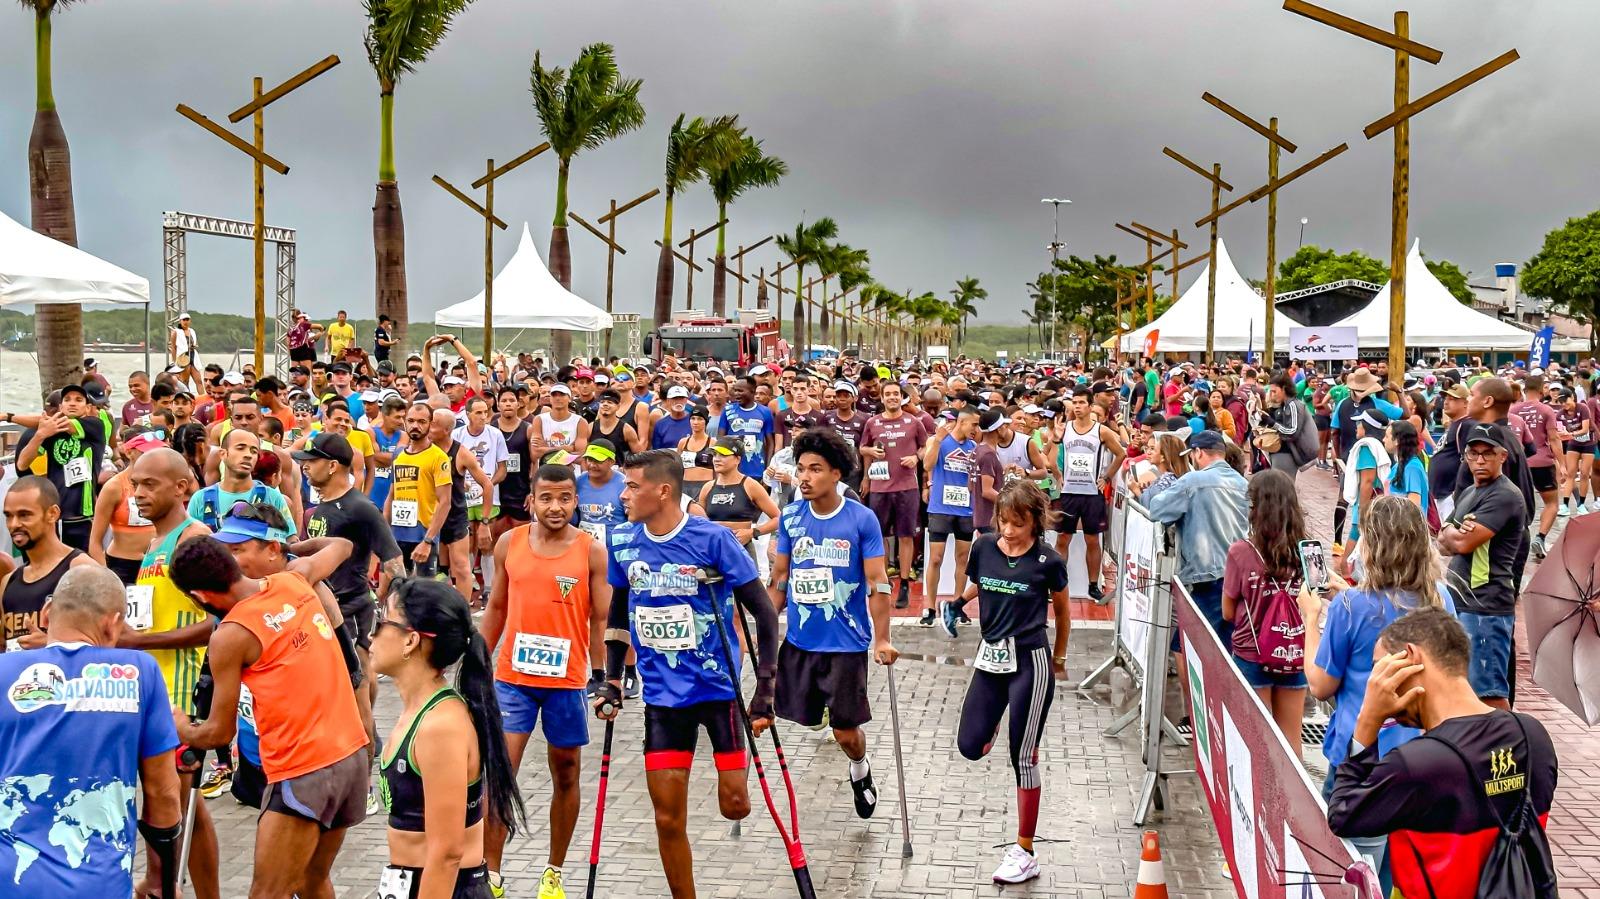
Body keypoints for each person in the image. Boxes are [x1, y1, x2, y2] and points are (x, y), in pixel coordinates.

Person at [592, 449, 781, 899]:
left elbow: (765, 615)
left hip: (718, 691)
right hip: (663, 697)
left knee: (734, 806)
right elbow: (618, 611)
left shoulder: (713, 539)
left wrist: (765, 689)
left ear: (664, 490)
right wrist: (613, 679)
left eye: (633, 486)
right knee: (666, 817)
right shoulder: (622, 540)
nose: (624, 495)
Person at [169, 534, 371, 899]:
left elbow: (217, 733)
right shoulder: (293, 579)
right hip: (352, 758)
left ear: (200, 597)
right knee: (313, 880)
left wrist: (181, 725)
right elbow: (343, 545)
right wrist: (295, 549)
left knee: (268, 893)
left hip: (304, 770)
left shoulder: (230, 635)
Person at [1326, 609, 1557, 899]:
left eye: (1379, 669)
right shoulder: (1534, 736)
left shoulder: (1417, 764)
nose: (1375, 683)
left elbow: (1343, 814)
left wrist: (1367, 720)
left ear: (1411, 658)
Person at [1300, 495, 1457, 895]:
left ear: (1373, 544)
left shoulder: (1351, 607)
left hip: (1362, 755)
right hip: (1424, 754)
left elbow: (1321, 684)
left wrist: (1311, 620)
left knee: (1347, 868)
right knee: (1401, 870)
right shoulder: (1441, 600)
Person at [0, 565, 183, 899]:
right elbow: (164, 793)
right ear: (112, 624)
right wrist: (160, 879)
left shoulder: (3, 672)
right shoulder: (139, 673)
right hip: (98, 884)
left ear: (46, 612)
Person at [480, 463, 610, 899]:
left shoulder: (591, 551)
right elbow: (496, 607)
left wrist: (602, 678)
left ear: (577, 501)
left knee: (567, 773)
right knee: (500, 772)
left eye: (565, 498)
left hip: (566, 682)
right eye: (547, 498)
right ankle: (491, 873)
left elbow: (601, 619)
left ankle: (553, 870)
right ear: (530, 501)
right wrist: (477, 660)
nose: (556, 507)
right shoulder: (509, 543)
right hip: (513, 679)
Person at [767, 426, 893, 818]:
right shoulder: (790, 517)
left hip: (847, 644)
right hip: (802, 642)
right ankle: (820, 707)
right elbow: (780, 580)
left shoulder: (861, 519)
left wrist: (883, 640)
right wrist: (764, 627)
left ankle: (860, 769)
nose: (804, 477)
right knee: (803, 721)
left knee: (845, 733)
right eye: (801, 469)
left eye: (815, 469)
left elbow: (878, 582)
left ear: (836, 474)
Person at [374, 577, 525, 899]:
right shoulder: (420, 711)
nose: (371, 635)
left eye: (381, 621)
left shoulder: (440, 726)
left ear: (410, 640)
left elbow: (447, 854)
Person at [954, 481, 1070, 885]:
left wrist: (1059, 659)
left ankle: (1024, 851)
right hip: (990, 658)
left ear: (1034, 522)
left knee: (1022, 757)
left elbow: (1065, 614)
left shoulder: (1048, 561)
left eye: (1016, 524)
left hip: (1030, 662)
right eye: (1002, 521)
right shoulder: (984, 547)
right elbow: (981, 581)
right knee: (969, 746)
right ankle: (999, 719)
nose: (1007, 530)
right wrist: (958, 602)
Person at [1438, 424, 1527, 710]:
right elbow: (1442, 538)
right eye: (1473, 454)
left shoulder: (1504, 495)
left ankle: (1506, 752)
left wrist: (1456, 536)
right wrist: (1456, 535)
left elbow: (1462, 544)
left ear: (1502, 456)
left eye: (1487, 454)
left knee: (1488, 694)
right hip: (1462, 602)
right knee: (1463, 687)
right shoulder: (1469, 493)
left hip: (1485, 606)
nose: (1479, 460)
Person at [1222, 469, 1308, 757]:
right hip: (1295, 652)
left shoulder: (1240, 552)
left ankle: (1261, 801)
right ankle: (1290, 801)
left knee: (1256, 742)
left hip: (1252, 652)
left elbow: (1227, 611)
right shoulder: (1307, 552)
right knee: (1290, 741)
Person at [1146, 430, 1249, 647]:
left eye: (1192, 455)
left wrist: (1148, 490)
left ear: (1199, 452)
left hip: (1207, 576)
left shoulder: (1193, 481)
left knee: (1188, 646)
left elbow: (1156, 509)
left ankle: (1201, 683)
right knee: (1224, 644)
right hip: (1237, 574)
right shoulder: (1241, 482)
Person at [8, 384, 112, 551]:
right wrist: (41, 435)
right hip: (54, 515)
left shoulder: (94, 426)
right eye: (67, 400)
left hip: (83, 516)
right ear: (61, 406)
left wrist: (9, 417)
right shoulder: (50, 433)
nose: (72, 403)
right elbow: (22, 463)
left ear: (87, 407)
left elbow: (62, 424)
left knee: (81, 567)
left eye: (78, 400)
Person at [0, 476, 98, 651]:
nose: (14, 524)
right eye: (9, 516)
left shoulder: (81, 570)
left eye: (25, 515)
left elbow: (111, 641)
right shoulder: (8, 581)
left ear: (52, 514)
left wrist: (51, 643)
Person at [860, 380, 931, 610]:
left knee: (906, 535)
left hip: (907, 487)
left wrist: (916, 458)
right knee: (878, 535)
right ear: (881, 398)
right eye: (887, 394)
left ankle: (904, 584)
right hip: (880, 487)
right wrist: (871, 452)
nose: (892, 397)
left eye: (895, 394)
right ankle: (882, 581)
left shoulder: (913, 422)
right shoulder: (872, 422)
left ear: (902, 398)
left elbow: (925, 446)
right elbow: (863, 448)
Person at [1053, 390, 1123, 603]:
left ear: (1091, 406)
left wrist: (1107, 477)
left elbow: (1121, 453)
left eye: (1082, 402)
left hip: (1092, 493)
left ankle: (1093, 585)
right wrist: (1058, 474)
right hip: (1069, 492)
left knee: (1092, 538)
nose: (1077, 406)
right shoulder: (1064, 430)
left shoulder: (1101, 431)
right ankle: (1056, 582)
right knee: (1063, 537)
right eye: (1074, 402)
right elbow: (1048, 456)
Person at [921, 406, 979, 627]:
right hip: (940, 507)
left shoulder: (974, 447)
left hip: (965, 508)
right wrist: (936, 440)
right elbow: (927, 465)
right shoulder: (939, 441)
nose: (976, 429)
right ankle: (930, 606)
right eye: (973, 424)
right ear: (961, 423)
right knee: (935, 558)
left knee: (962, 559)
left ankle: (956, 604)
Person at [189, 428, 298, 536]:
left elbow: (290, 540)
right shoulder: (200, 499)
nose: (248, 455)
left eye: (254, 451)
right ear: (223, 454)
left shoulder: (272, 497)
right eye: (240, 448)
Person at [387, 403, 454, 578]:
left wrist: (428, 540)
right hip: (397, 535)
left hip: (423, 535)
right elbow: (392, 495)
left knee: (424, 592)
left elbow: (445, 502)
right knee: (395, 592)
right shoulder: (399, 455)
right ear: (405, 422)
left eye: (421, 421)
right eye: (411, 421)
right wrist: (383, 533)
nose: (415, 425)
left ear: (430, 424)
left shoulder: (438, 457)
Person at [699, 435, 781, 558]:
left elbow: (779, 518)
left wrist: (752, 532)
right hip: (712, 551)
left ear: (737, 459)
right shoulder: (707, 487)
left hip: (741, 551)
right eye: (715, 454)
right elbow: (698, 522)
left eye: (723, 455)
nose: (716, 459)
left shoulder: (750, 485)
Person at [1510, 374, 1563, 557]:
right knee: (1551, 504)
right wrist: (1562, 465)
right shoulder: (1547, 410)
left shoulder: (1514, 411)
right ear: (1542, 390)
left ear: (1524, 391)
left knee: (1518, 503)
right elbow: (1554, 439)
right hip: (1543, 462)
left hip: (1520, 463)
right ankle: (1540, 538)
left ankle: (1516, 539)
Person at [717, 376, 776, 482]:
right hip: (733, 469)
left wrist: (767, 468)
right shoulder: (727, 411)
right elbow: (720, 440)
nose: (736, 394)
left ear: (752, 391)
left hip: (757, 469)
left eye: (740, 391)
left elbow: (770, 443)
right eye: (735, 390)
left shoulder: (765, 412)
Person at [1555, 385, 1593, 514]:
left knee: (1584, 473)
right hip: (1573, 444)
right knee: (1570, 473)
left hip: (1587, 442)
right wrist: (1562, 435)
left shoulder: (1582, 408)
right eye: (1561, 403)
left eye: (1566, 401)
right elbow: (1559, 431)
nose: (1564, 405)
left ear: (1572, 397)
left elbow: (1585, 428)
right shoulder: (1560, 414)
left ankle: (1581, 504)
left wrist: (1572, 434)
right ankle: (1565, 505)